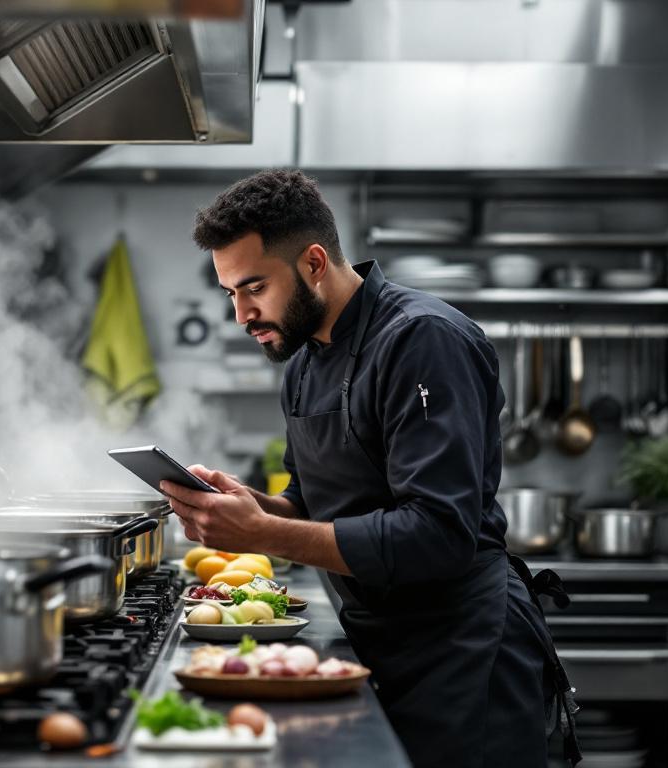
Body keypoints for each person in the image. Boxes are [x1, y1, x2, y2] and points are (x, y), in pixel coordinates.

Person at [162, 169, 580, 768]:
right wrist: (252, 506)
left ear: (312, 263)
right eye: (231, 293)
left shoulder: (424, 340)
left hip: (465, 649)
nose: (241, 314)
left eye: (253, 287)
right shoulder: (304, 363)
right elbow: (309, 503)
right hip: (379, 643)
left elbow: (439, 534)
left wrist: (262, 534)